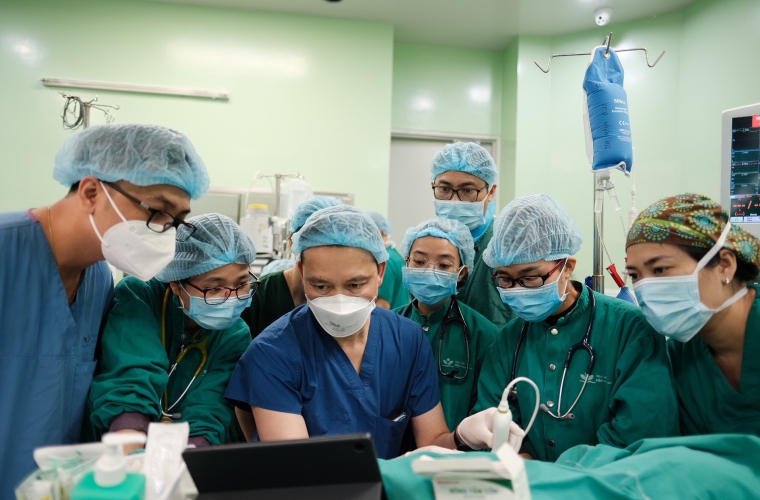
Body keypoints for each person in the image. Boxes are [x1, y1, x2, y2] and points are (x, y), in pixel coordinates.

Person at [0, 124, 209, 493]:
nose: (165, 231)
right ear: (92, 191)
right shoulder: (7, 251)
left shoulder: (98, 279)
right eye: (157, 210)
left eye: (176, 221)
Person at [226, 205, 497, 459]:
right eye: (321, 286)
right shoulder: (273, 352)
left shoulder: (408, 340)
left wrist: (461, 436)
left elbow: (431, 445)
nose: (339, 300)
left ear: (380, 273)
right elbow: (299, 469)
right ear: (301, 271)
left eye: (355, 285)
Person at [472, 193, 679, 462]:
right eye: (505, 280)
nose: (516, 290)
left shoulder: (629, 330)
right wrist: (514, 455)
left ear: (567, 266)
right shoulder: (509, 340)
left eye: (530, 277)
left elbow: (641, 434)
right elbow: (490, 422)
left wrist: (558, 475)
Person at [86, 213, 257, 452]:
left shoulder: (235, 335)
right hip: (120, 441)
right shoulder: (141, 296)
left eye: (241, 284)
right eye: (213, 288)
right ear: (176, 283)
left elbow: (210, 406)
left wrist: (190, 457)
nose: (230, 298)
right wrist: (131, 448)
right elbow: (131, 373)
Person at [625, 193, 760, 436]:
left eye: (660, 269)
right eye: (635, 275)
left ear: (724, 265)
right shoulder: (678, 357)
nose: (645, 287)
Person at [395, 218, 498, 430]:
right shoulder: (388, 326)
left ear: (462, 273)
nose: (429, 271)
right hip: (396, 453)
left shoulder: (483, 334)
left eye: (444, 265)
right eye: (419, 262)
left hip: (454, 452)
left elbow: (487, 408)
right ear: (406, 263)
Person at [430, 142, 513, 327]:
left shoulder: (507, 242)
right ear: (433, 186)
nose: (454, 200)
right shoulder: (428, 243)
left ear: (490, 191)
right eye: (445, 189)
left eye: (467, 191)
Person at [240, 195, 341, 338]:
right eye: (316, 241)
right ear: (292, 242)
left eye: (334, 244)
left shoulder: (345, 296)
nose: (326, 252)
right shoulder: (260, 296)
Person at [368, 211, 409, 309]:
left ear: (382, 233)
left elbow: (383, 304)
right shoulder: (395, 255)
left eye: (367, 235)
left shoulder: (386, 260)